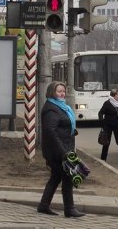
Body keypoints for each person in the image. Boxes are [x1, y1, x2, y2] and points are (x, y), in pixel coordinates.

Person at [37, 81, 85, 218]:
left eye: (63, 91)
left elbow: (60, 126)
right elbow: (50, 132)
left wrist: (71, 131)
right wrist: (63, 152)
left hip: (63, 148)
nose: (62, 93)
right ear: (52, 92)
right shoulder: (51, 109)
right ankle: (69, 209)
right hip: (57, 152)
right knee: (67, 177)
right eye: (59, 91)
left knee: (56, 178)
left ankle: (43, 205)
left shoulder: (62, 107)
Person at [98, 89, 118, 163]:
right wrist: (102, 122)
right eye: (117, 95)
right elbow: (100, 113)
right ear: (113, 96)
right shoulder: (107, 103)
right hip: (108, 125)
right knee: (106, 142)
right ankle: (103, 159)